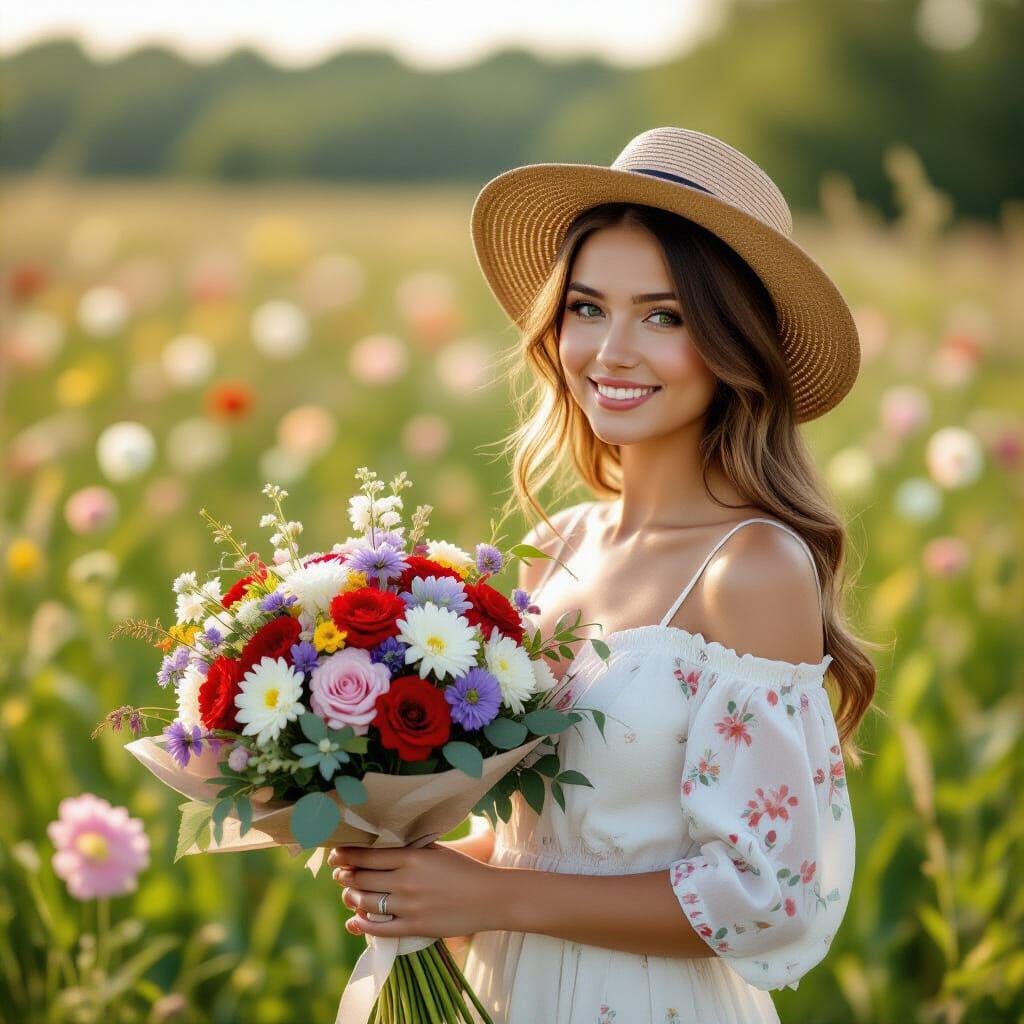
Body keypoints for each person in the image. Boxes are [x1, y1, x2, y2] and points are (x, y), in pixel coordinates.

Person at [328, 126, 877, 1022]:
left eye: (665, 317)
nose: (611, 350)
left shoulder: (751, 568)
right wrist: (417, 866)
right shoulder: (558, 546)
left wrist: (494, 899)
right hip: (511, 990)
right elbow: (551, 844)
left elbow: (766, 891)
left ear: (734, 345)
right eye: (588, 308)